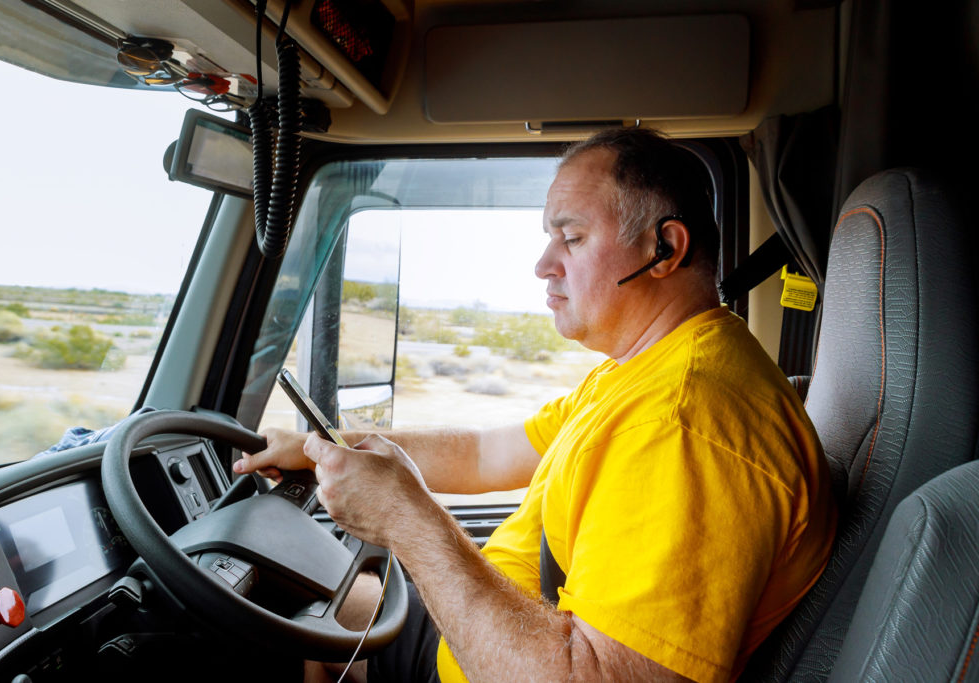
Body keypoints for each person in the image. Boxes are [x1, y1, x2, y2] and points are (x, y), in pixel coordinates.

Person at [233, 127, 838, 683]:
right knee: (319, 610)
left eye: (571, 238)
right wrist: (329, 448)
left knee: (287, 622)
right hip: (504, 631)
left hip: (513, 656)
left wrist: (407, 519)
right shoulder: (645, 373)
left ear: (665, 249)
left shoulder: (682, 423)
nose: (543, 265)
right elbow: (486, 453)